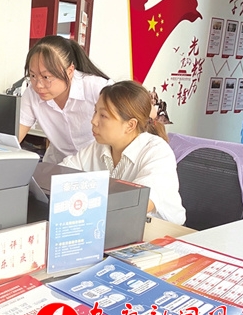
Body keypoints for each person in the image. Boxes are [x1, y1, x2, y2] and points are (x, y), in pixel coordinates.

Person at [59, 80, 186, 225]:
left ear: (130, 125)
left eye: (103, 116)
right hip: (115, 225)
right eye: (95, 112)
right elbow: (59, 175)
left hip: (164, 232)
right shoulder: (97, 147)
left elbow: (136, 204)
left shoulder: (157, 152)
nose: (93, 121)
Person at [18, 35, 113, 163]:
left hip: (97, 164)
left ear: (70, 71)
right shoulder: (32, 94)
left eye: (46, 77)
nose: (38, 85)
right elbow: (15, 137)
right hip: (58, 165)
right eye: (33, 75)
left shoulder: (97, 88)